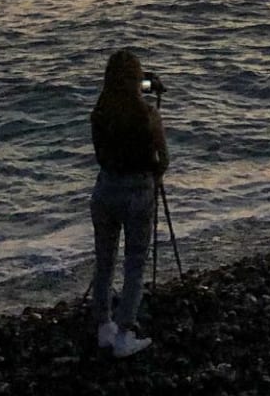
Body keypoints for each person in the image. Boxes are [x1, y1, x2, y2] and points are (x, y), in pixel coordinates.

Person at [87, 49, 167, 358]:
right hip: (137, 193)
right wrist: (154, 175)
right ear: (137, 81)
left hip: (106, 189)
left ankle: (103, 326)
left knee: (104, 261)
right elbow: (163, 160)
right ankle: (124, 334)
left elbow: (100, 157)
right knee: (134, 264)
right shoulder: (148, 116)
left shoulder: (99, 115)